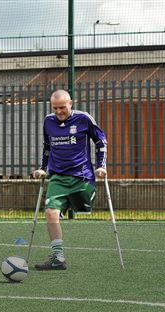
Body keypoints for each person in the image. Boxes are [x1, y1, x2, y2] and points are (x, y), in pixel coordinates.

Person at [32, 89, 107, 270]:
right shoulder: (48, 121)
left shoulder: (83, 119)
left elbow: (101, 141)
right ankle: (58, 258)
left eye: (62, 108)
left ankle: (66, 206)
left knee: (83, 207)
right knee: (50, 213)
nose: (59, 112)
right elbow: (47, 147)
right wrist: (43, 169)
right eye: (55, 108)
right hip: (58, 177)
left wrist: (101, 166)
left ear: (70, 104)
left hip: (82, 176)